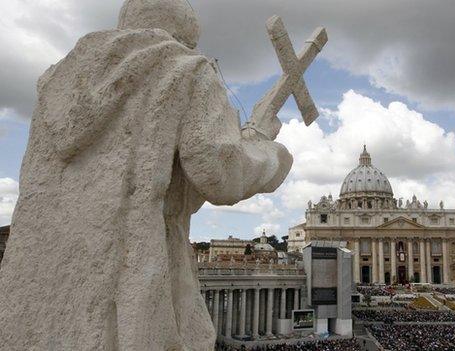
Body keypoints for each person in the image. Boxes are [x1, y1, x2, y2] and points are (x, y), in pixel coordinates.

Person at [0, 1, 292, 350]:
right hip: (128, 279)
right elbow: (218, 172)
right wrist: (265, 147)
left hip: (37, 289)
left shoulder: (55, 85)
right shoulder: (186, 69)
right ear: (187, 34)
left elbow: (174, 184)